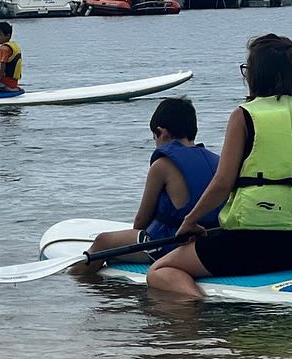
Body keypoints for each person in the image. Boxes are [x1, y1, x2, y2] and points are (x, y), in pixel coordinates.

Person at [145, 34, 292, 297]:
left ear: (255, 75)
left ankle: (199, 324)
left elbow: (222, 184)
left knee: (161, 271)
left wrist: (189, 221)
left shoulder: (244, 115)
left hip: (250, 245)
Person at [72, 98, 221, 275]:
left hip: (169, 243)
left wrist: (130, 236)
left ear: (162, 133)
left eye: (154, 137)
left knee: (103, 241)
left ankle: (73, 280)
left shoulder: (162, 165)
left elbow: (141, 220)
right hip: (210, 241)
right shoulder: (218, 161)